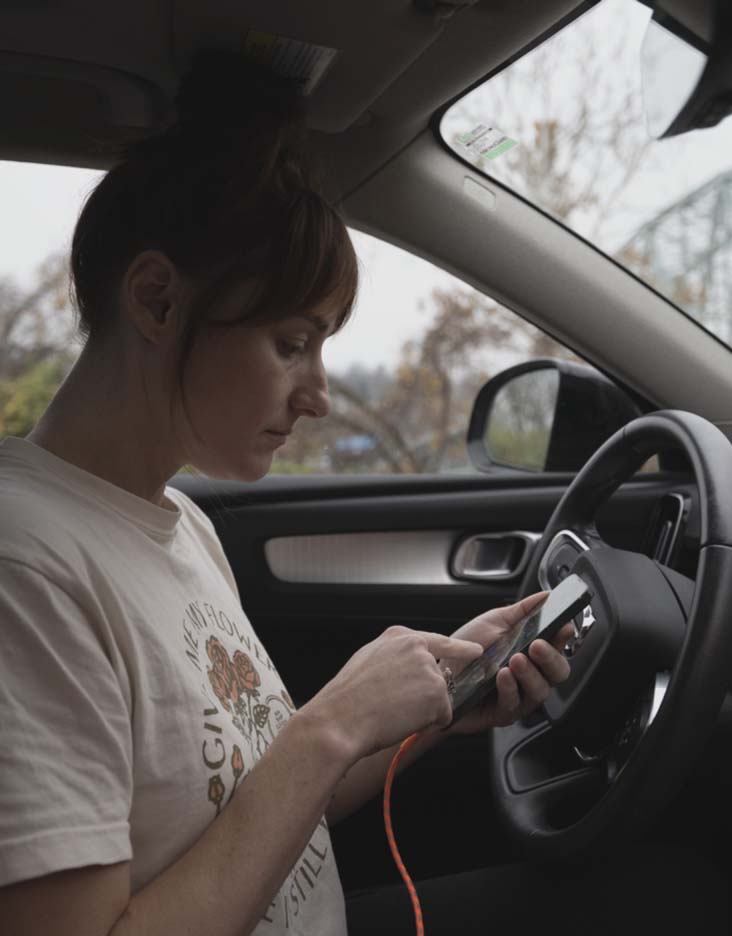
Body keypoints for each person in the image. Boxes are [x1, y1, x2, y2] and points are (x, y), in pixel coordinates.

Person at [0, 51, 720, 936]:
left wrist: (427, 706)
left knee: (656, 890)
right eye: (291, 343)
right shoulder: (24, 570)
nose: (319, 395)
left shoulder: (178, 519)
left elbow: (248, 802)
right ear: (155, 300)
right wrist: (329, 726)